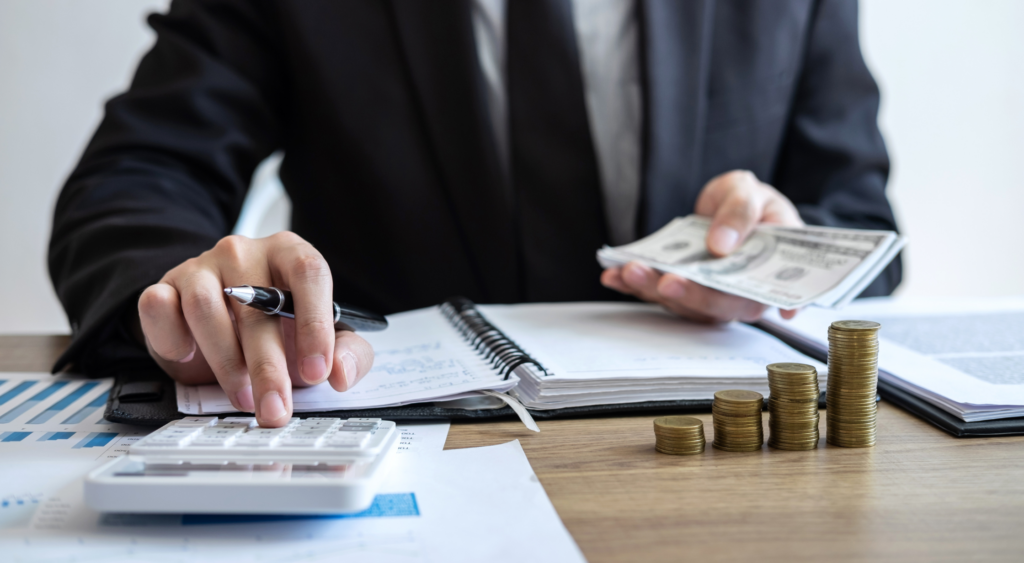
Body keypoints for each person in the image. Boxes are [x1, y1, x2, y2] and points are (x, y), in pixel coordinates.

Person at [48, 0, 901, 427]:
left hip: (714, 438)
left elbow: (859, 211)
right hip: (396, 426)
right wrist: (187, 294)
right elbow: (137, 174)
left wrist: (782, 249)